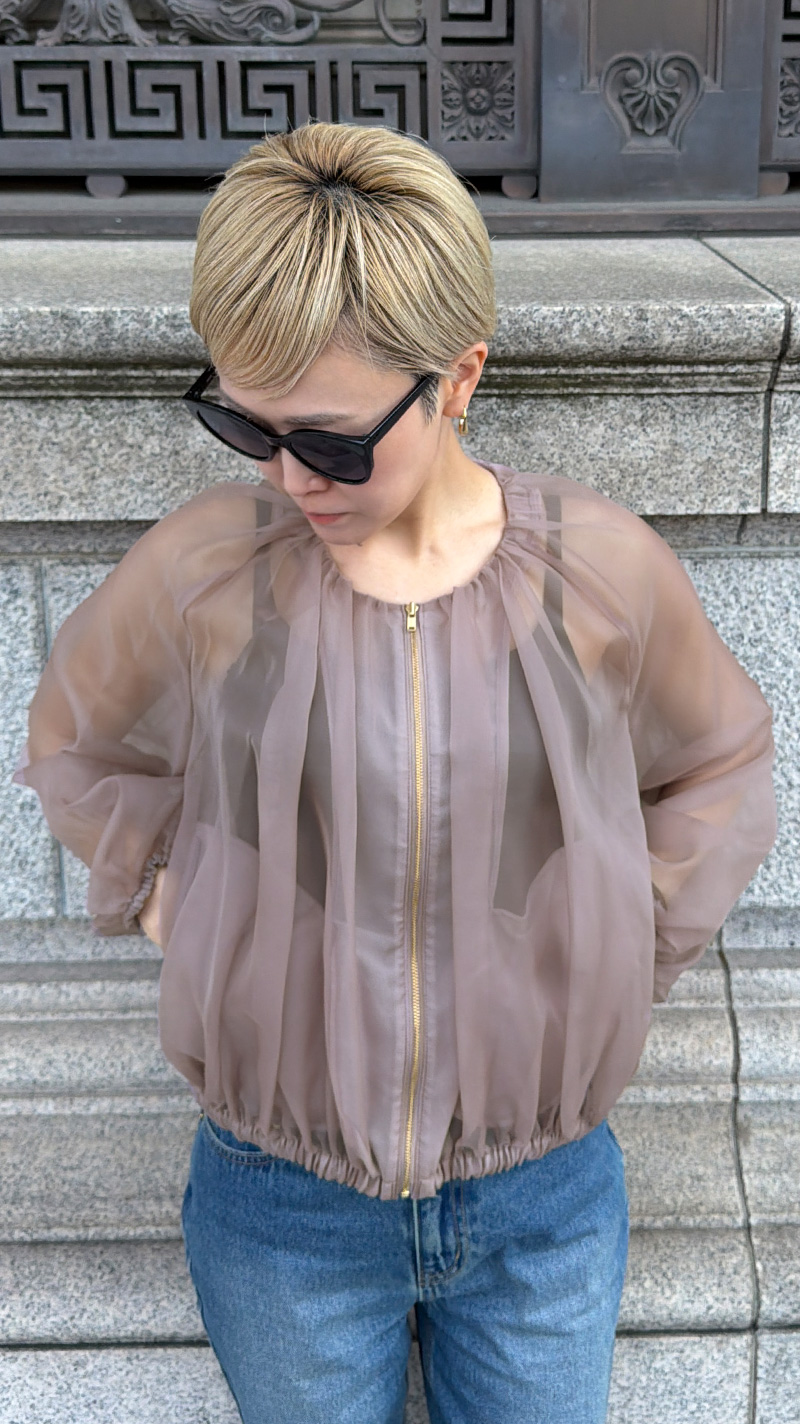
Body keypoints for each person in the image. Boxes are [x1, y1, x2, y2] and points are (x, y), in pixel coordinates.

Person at [11, 122, 776, 1424]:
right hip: (280, 1203)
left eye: (332, 443)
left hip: (542, 1195)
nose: (287, 476)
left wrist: (616, 937)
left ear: (459, 376)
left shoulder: (597, 572)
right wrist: (173, 902)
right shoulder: (210, 570)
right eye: (243, 425)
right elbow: (78, 738)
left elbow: (721, 761)